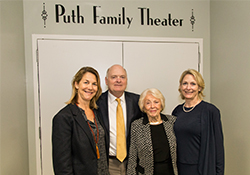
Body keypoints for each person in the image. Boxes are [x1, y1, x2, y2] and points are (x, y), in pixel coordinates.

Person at [52, 67, 109, 175]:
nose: (90, 87)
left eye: (94, 84)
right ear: (76, 84)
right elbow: (62, 164)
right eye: (86, 82)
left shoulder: (97, 113)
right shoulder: (64, 118)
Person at [172, 69, 224, 175]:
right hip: (179, 168)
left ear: (199, 87)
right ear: (180, 87)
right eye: (185, 83)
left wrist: (219, 172)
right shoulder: (177, 111)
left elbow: (218, 148)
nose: (188, 88)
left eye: (193, 84)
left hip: (201, 169)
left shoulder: (211, 111)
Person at [97, 64, 141, 175]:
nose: (118, 80)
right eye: (114, 77)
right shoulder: (96, 103)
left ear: (126, 80)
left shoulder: (138, 101)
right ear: (106, 81)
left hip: (132, 163)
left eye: (122, 77)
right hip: (108, 163)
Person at [127, 88, 178, 175]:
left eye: (156, 102)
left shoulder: (172, 121)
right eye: (148, 103)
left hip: (170, 172)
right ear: (143, 106)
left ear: (161, 104)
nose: (152, 106)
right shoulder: (137, 125)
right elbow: (132, 157)